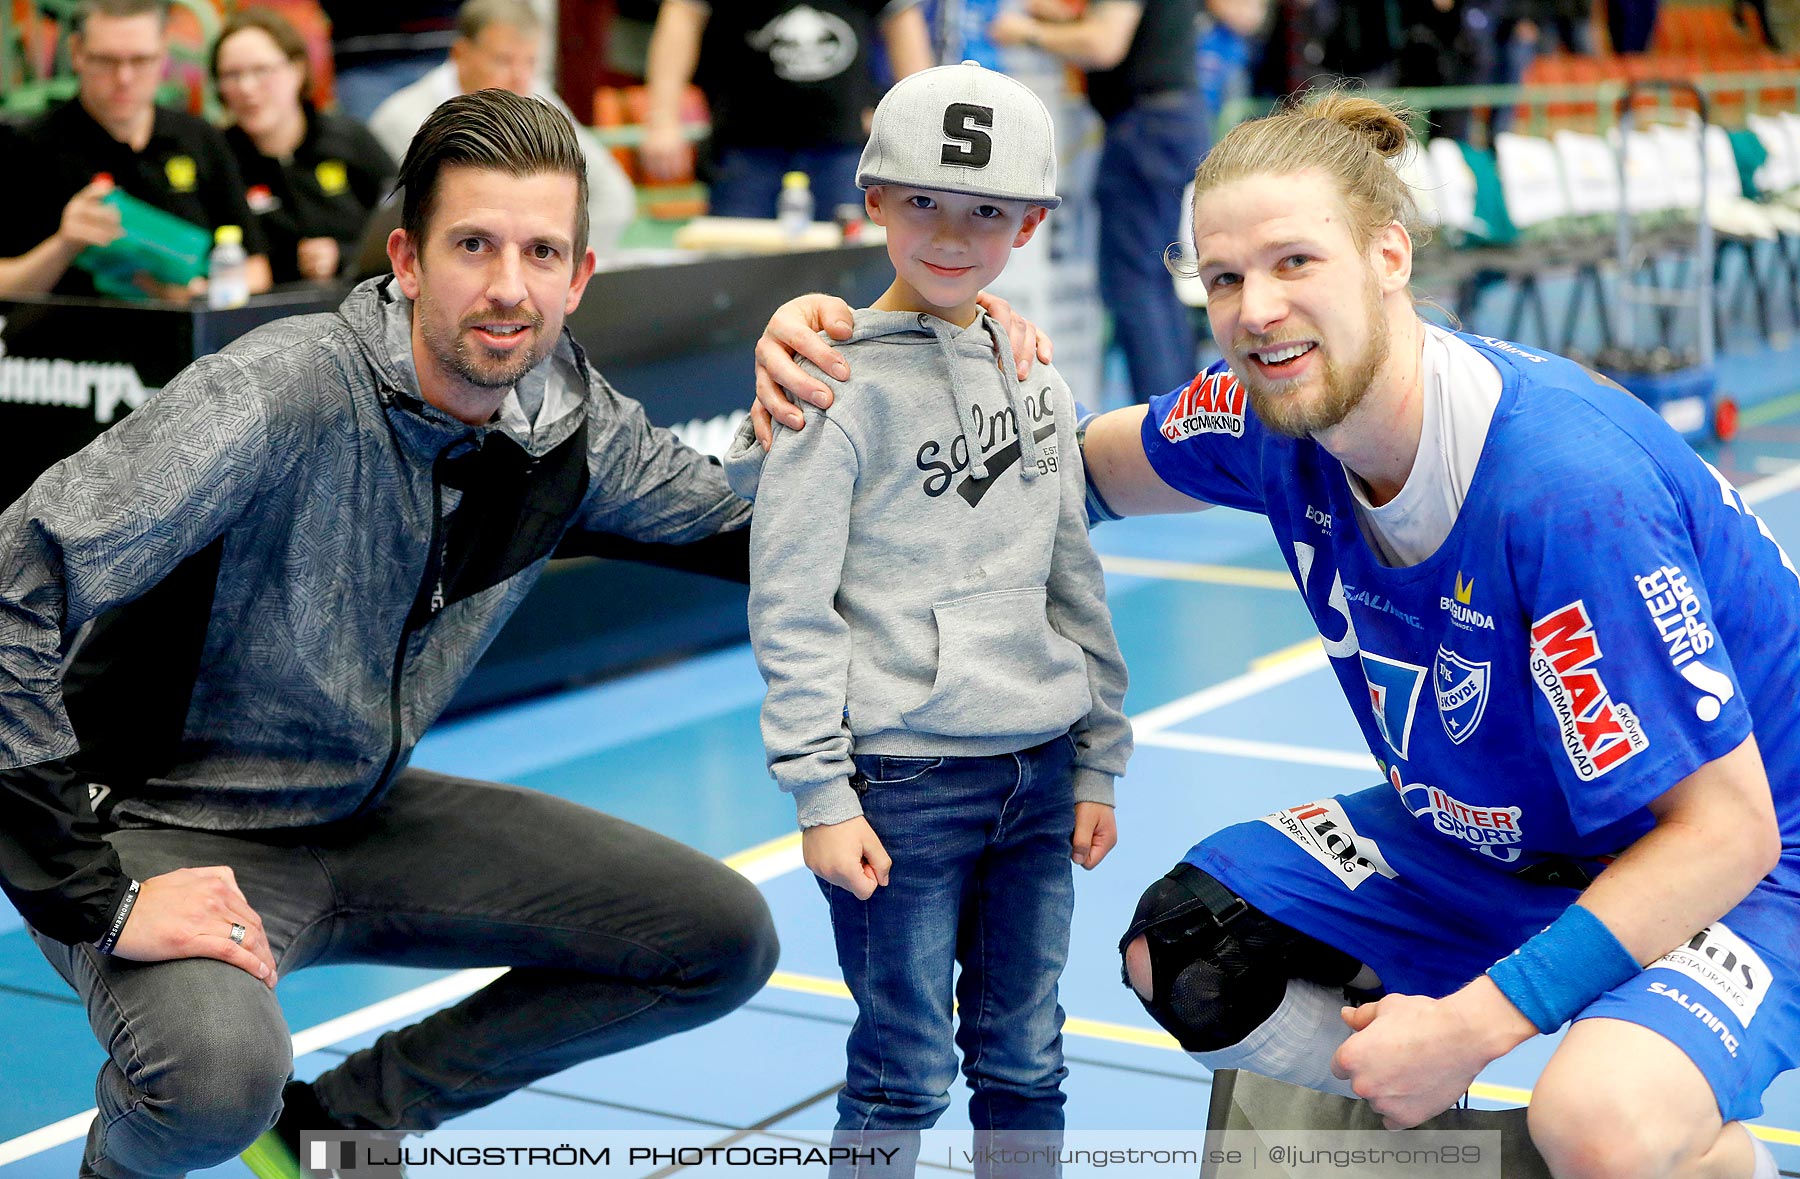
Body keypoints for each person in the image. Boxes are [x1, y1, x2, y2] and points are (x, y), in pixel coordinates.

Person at [752, 89, 1799, 1179]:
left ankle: (1687, 1148)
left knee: (1599, 1124)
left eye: (1297, 263)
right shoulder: (1265, 414)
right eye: (1225, 278)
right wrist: (882, 349)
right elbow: (1048, 469)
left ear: (1388, 256)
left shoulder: (1564, 490)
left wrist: (1476, 1026)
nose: (1257, 309)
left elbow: (1730, 833)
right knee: (1192, 951)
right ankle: (1449, 1146)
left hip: (1741, 858)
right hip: (1497, 835)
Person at [0, 88, 778, 1179]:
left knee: (718, 939)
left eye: (541, 251)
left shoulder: (569, 422)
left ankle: (335, 1131)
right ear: (409, 259)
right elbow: (11, 585)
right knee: (212, 1077)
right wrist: (96, 893)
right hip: (166, 828)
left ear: (579, 277)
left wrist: (910, 345)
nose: (509, 288)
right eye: (474, 245)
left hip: (360, 815)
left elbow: (770, 530)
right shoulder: (273, 393)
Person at [724, 61, 1131, 1175]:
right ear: (874, 202)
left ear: (1033, 224)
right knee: (903, 1067)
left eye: (988, 212)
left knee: (1026, 1055)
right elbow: (792, 606)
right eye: (925, 203)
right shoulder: (827, 387)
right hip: (902, 785)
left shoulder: (1038, 381)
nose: (953, 236)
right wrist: (820, 792)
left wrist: (1096, 759)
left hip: (1041, 775)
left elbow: (1071, 576)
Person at [989, 0, 1202, 405]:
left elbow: (1104, 44)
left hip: (1147, 125)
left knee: (1136, 287)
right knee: (1152, 282)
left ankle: (1167, 424)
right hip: (1163, 120)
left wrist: (1025, 32)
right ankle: (1182, 414)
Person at [0, 0, 273, 302]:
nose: (124, 78)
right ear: (77, 52)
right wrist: (64, 245)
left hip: (189, 338)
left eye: (141, 60)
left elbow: (257, 267)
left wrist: (200, 295)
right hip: (66, 338)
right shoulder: (29, 147)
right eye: (106, 61)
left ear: (163, 53)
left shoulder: (199, 139)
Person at [368, 0, 636, 256]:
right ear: (460, 54)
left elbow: (613, 193)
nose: (519, 78)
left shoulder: (535, 97)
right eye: (504, 61)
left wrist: (564, 266)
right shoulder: (401, 121)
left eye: (530, 62)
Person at [640, 0, 933, 219]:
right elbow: (682, 16)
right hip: (745, 144)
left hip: (842, 147)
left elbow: (902, 22)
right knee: (736, 265)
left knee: (838, 273)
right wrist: (662, 121)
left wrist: (921, 127)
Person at [212, 7, 396, 285]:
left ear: (297, 70)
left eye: (261, 70)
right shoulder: (218, 154)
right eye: (232, 75)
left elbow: (405, 216)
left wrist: (343, 255)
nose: (247, 88)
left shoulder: (348, 138)